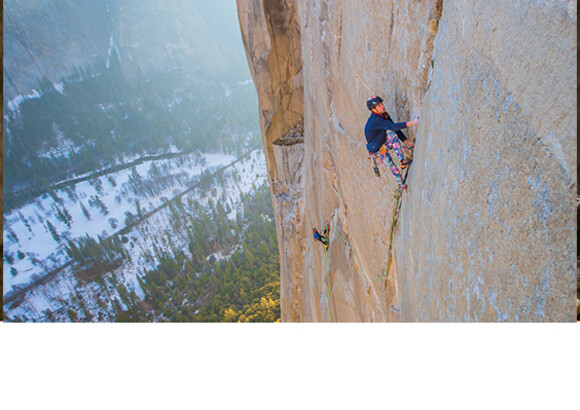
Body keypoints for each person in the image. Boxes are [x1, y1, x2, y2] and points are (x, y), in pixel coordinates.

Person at [364, 95, 419, 190]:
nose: (382, 106)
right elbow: (393, 127)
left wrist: (407, 141)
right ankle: (402, 185)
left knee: (392, 135)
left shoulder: (384, 115)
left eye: (381, 104)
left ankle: (402, 161)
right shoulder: (375, 120)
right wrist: (412, 123)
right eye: (379, 106)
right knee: (393, 168)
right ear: (373, 109)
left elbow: (394, 127)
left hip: (383, 144)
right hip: (377, 151)